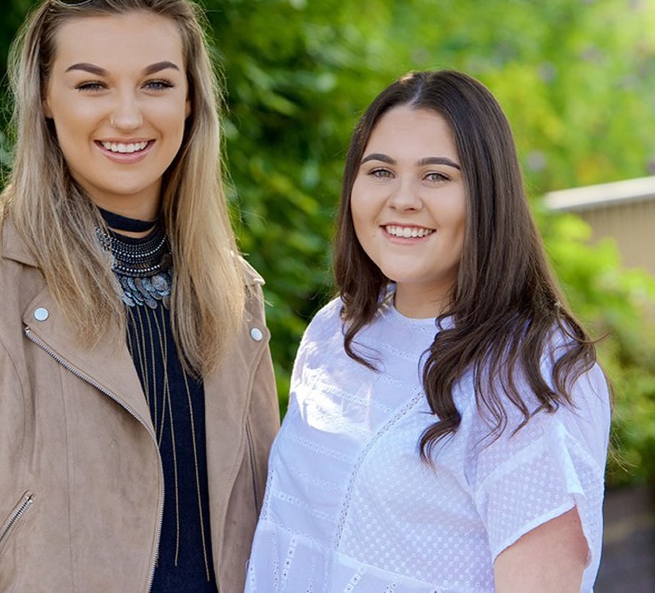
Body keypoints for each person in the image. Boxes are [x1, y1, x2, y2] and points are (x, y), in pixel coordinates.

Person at [0, 0, 280, 592]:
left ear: (189, 99)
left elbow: (270, 527)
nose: (127, 117)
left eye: (156, 83)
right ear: (45, 98)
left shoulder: (234, 289)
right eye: (92, 85)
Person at [246, 70, 611, 592]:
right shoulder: (335, 332)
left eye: (437, 176)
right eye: (379, 171)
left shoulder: (530, 371)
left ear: (488, 194)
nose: (402, 199)